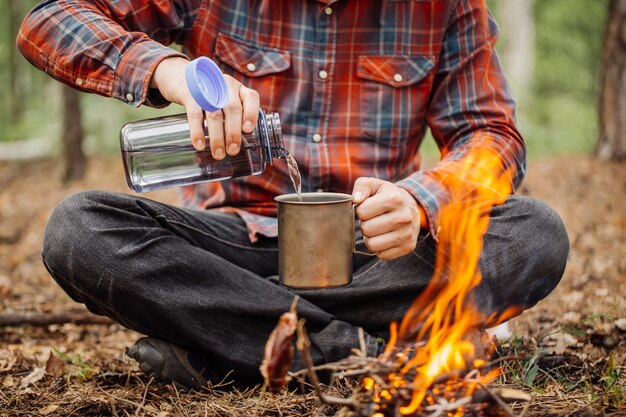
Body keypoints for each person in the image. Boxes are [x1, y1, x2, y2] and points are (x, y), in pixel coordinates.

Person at [18, 0, 569, 390]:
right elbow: (49, 20)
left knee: (534, 234)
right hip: (227, 246)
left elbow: (492, 137)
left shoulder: (445, 7)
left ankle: (224, 342)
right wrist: (166, 69)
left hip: (373, 255)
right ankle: (360, 351)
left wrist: (422, 200)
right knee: (79, 230)